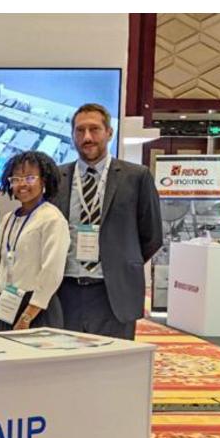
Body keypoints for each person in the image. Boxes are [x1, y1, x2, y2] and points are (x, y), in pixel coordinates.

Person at [52, 104, 162, 341]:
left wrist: (120, 262)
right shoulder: (57, 178)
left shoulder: (136, 176)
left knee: (112, 361)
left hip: (113, 292)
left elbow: (152, 236)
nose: (87, 137)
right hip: (65, 291)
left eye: (94, 129)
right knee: (64, 360)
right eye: (80, 130)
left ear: (109, 133)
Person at [0, 151, 70, 332]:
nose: (22, 184)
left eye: (30, 178)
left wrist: (27, 316)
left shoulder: (52, 219)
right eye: (16, 179)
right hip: (5, 305)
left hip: (36, 309)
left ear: (44, 181)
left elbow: (52, 273)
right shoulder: (8, 218)